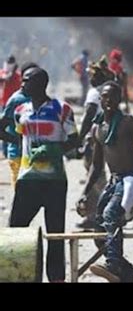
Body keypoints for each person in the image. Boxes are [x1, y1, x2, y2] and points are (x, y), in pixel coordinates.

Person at [79, 81, 133, 282]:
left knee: (111, 214)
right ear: (101, 99)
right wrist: (85, 192)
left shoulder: (128, 123)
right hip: (114, 181)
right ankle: (125, 272)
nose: (109, 100)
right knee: (99, 226)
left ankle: (114, 265)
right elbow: (97, 166)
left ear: (120, 99)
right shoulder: (98, 128)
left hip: (132, 180)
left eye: (114, 97)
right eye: (105, 96)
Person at [8, 67, 79, 282]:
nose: (22, 85)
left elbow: (75, 139)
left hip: (54, 181)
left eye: (26, 81)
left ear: (40, 84)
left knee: (55, 234)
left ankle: (56, 278)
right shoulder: (20, 109)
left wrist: (55, 149)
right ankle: (18, 276)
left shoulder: (61, 109)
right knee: (15, 231)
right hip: (27, 179)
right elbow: (20, 137)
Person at [75, 56, 115, 230]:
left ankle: (96, 215)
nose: (90, 78)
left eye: (92, 75)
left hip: (93, 140)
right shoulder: (109, 92)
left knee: (95, 176)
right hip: (104, 139)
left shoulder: (94, 93)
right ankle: (97, 214)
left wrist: (78, 138)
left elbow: (89, 116)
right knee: (97, 175)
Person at [0, 62, 39, 187]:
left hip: (35, 156)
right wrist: (18, 141)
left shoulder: (40, 98)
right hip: (18, 155)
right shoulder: (17, 99)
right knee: (20, 195)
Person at [108, 48, 130, 113]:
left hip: (116, 95)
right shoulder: (108, 69)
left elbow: (125, 88)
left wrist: (126, 104)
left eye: (115, 59)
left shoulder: (121, 71)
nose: (113, 61)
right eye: (113, 59)